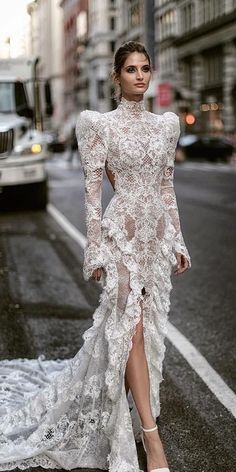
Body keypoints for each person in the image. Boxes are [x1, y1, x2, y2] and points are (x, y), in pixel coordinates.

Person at [0, 41, 190, 472]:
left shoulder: (166, 126)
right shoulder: (98, 125)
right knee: (130, 330)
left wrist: (178, 239)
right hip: (121, 235)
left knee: (148, 327)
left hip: (154, 239)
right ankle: (150, 439)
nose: (140, 76)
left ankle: (143, 414)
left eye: (145, 69)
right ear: (117, 77)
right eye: (131, 70)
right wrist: (96, 245)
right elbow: (91, 193)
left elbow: (166, 188)